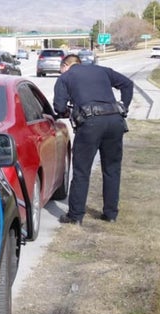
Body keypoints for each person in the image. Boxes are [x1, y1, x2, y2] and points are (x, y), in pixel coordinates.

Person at [53, 54, 133, 225]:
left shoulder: (65, 77)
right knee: (112, 168)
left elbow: (59, 108)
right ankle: (110, 214)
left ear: (65, 65)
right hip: (115, 121)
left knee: (82, 171)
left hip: (90, 124)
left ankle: (75, 216)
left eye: (61, 69)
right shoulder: (102, 70)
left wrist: (68, 112)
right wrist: (123, 106)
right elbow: (128, 84)